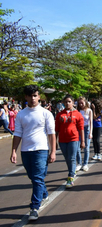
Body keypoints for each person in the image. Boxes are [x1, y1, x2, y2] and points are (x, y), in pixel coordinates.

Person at [10, 85, 56, 220]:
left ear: (39, 97)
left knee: (37, 178)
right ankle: (44, 194)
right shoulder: (21, 114)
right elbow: (17, 134)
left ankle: (34, 207)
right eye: (30, 96)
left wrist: (53, 151)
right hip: (26, 151)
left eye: (35, 95)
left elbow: (51, 133)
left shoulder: (46, 113)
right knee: (34, 178)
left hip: (41, 150)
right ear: (26, 97)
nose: (33, 98)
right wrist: (14, 151)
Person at [55, 94, 85, 188]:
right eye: (66, 102)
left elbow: (81, 129)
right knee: (67, 158)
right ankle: (72, 172)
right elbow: (57, 129)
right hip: (62, 140)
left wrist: (83, 141)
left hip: (74, 139)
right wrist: (55, 141)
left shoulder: (78, 114)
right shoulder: (60, 114)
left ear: (73, 103)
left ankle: (71, 176)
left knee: (72, 158)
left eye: (69, 102)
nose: (67, 103)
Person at [76, 97, 93, 172]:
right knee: (77, 148)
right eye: (79, 103)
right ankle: (79, 163)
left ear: (85, 102)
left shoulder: (89, 110)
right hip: (79, 130)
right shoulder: (78, 111)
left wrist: (90, 133)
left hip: (87, 129)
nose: (81, 104)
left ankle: (85, 164)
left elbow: (91, 122)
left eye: (82, 103)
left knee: (86, 148)